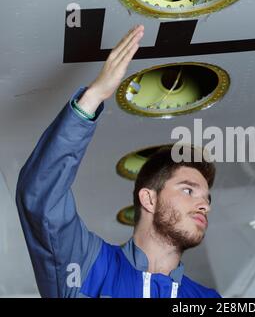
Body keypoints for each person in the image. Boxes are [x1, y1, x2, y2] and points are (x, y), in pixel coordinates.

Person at [16, 25, 220, 298]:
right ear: (149, 199)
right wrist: (93, 98)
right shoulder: (88, 264)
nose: (204, 205)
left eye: (207, 198)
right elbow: (40, 197)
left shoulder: (207, 299)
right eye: (188, 190)